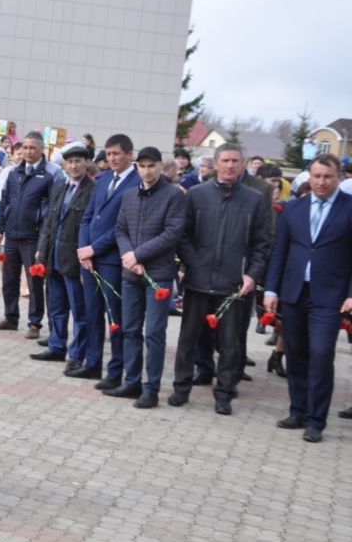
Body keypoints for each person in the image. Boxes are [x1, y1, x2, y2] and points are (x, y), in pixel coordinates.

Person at [169, 144, 271, 415]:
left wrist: (251, 274)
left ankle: (224, 393)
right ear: (215, 164)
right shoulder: (196, 195)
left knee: (230, 344)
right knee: (188, 339)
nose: (229, 165)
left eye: (235, 161)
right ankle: (181, 388)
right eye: (224, 160)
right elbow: (183, 235)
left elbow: (262, 244)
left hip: (234, 286)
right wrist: (192, 262)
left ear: (243, 164)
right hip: (198, 281)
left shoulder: (254, 199)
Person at [264, 154, 352, 442]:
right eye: (316, 176)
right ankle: (298, 410)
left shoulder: (349, 208)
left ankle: (316, 419)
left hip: (330, 296)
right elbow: (280, 253)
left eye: (327, 176)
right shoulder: (293, 209)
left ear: (338, 176)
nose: (321, 182)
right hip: (293, 293)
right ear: (309, 177)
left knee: (321, 353)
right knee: (297, 353)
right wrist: (271, 289)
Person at [104, 146, 186, 408]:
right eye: (143, 166)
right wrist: (129, 256)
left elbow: (172, 233)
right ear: (137, 167)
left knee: (153, 333)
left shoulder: (173, 196)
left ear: (161, 166)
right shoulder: (129, 195)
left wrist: (137, 255)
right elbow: (120, 229)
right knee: (130, 329)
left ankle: (151, 388)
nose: (147, 170)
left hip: (158, 275)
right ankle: (132, 382)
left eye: (152, 165)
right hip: (131, 274)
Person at [69, 134, 140, 386]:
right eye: (108, 154)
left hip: (111, 260)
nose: (111, 158)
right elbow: (88, 216)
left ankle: (115, 371)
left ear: (129, 154)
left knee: (115, 317)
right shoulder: (102, 179)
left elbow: (125, 225)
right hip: (90, 260)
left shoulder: (136, 182)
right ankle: (92, 363)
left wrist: (94, 249)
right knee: (92, 312)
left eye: (116, 154)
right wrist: (83, 249)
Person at [32, 142, 94, 369]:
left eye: (79, 161)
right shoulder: (60, 186)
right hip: (54, 259)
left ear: (86, 163)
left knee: (79, 310)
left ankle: (77, 353)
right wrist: (42, 253)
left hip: (75, 261)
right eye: (70, 161)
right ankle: (57, 346)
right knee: (56, 307)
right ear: (65, 165)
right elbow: (49, 223)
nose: (74, 165)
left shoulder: (92, 190)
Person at [0, 131, 55, 338]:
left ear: (42, 150)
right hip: (11, 236)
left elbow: (50, 213)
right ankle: (10, 317)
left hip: (33, 238)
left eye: (32, 148)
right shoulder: (14, 173)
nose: (27, 151)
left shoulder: (49, 176)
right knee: (9, 279)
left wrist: (43, 242)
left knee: (34, 282)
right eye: (25, 147)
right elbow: (5, 203)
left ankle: (34, 324)